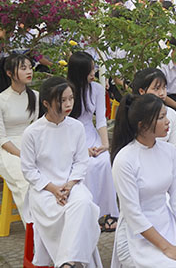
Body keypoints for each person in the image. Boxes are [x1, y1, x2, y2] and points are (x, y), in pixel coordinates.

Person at [111, 93, 176, 268]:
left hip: (168, 224)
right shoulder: (125, 160)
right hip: (139, 235)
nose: (168, 120)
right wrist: (168, 248)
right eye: (162, 117)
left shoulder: (168, 151)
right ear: (143, 125)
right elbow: (133, 213)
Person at [20, 76, 103, 268]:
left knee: (84, 203)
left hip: (72, 185)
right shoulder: (32, 132)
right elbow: (29, 170)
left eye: (71, 99)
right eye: (62, 100)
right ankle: (73, 262)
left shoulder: (76, 127)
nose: (68, 104)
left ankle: (66, 262)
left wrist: (70, 184)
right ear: (46, 103)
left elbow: (81, 161)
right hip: (44, 191)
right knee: (76, 213)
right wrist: (53, 189)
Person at [67, 51, 119, 232]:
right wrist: (83, 150)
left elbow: (101, 120)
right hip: (72, 136)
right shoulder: (67, 91)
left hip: (91, 133)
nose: (93, 73)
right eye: (90, 70)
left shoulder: (96, 88)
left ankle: (107, 213)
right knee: (87, 165)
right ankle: (88, 213)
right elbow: (65, 124)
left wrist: (105, 145)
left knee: (105, 162)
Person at [0, 54, 38, 224]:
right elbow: (2, 139)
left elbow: (37, 128)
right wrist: (22, 154)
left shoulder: (36, 96)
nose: (29, 71)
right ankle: (34, 232)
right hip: (7, 150)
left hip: (30, 145)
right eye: (23, 68)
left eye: (30, 67)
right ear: (10, 73)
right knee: (25, 181)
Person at [132, 68, 176, 155]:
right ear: (142, 91)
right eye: (156, 89)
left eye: (164, 87)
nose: (162, 93)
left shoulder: (171, 114)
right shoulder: (133, 114)